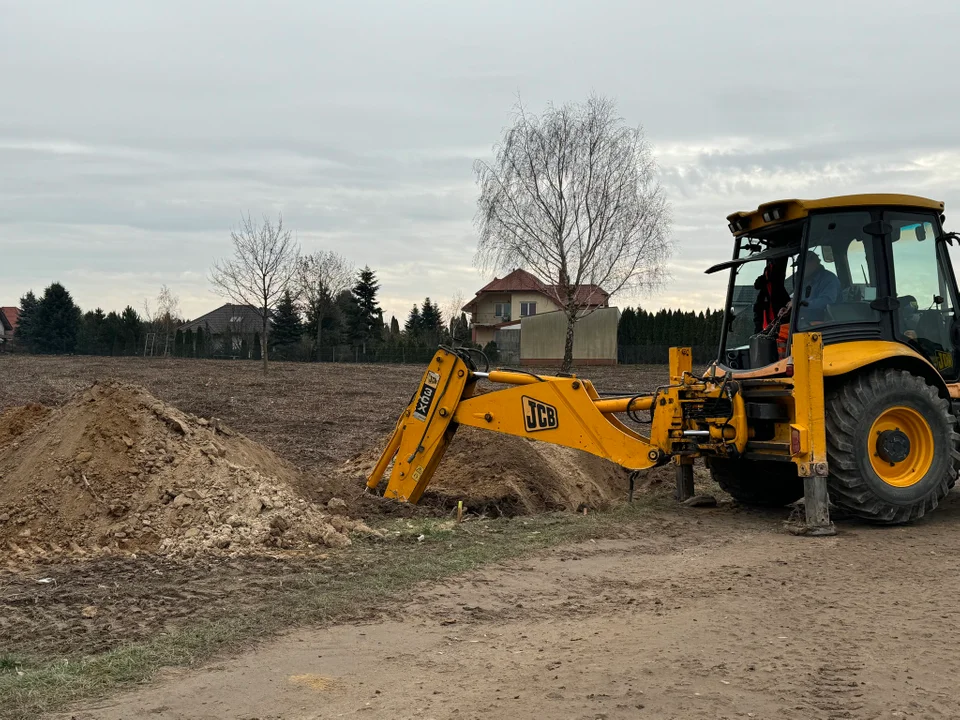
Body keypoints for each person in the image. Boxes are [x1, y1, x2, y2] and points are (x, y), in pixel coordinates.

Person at [796, 250, 841, 325]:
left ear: (814, 263)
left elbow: (826, 302)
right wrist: (790, 308)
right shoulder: (805, 281)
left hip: (827, 324)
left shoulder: (829, 279)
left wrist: (799, 305)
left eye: (802, 265)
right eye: (798, 266)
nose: (799, 269)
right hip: (807, 322)